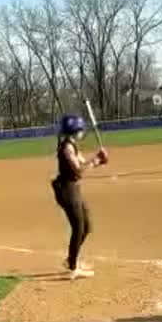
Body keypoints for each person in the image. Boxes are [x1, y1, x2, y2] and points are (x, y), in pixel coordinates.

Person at [53, 115, 108, 280]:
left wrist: (99, 160)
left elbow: (83, 163)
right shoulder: (66, 149)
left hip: (73, 189)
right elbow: (78, 170)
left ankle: (71, 260)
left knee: (87, 226)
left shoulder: (72, 146)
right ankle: (73, 268)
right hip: (66, 190)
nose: (83, 132)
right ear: (74, 130)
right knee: (78, 228)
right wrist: (95, 160)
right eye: (81, 129)